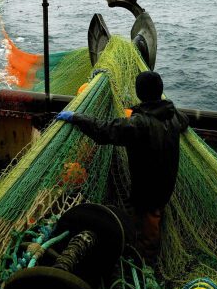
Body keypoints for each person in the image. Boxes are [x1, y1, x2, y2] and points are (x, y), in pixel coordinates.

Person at [56, 70, 189, 264]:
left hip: (148, 188)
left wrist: (76, 118)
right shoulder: (174, 115)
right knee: (150, 215)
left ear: (140, 92)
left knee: (149, 221)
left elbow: (105, 130)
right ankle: (141, 248)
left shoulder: (140, 124)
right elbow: (185, 122)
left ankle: (146, 264)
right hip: (166, 182)